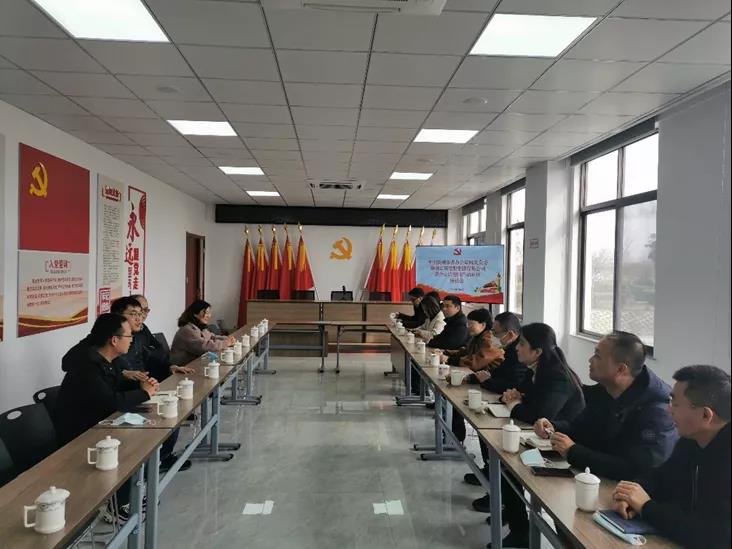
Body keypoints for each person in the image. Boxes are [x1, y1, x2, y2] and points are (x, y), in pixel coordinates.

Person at [485, 323, 585, 548]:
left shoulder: (557, 376)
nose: (516, 348)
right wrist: (514, 397)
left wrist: (515, 404)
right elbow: (520, 395)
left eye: (522, 344)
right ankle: (515, 514)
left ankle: (520, 529)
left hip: (560, 450)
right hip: (540, 439)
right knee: (502, 460)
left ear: (537, 351)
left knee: (508, 466)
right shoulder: (535, 369)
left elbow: (539, 414)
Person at [612, 365, 731, 548]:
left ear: (705, 415)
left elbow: (714, 537)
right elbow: (661, 477)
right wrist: (631, 495)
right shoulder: (691, 440)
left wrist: (646, 507)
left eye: (675, 404)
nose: (669, 410)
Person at [533, 332, 677, 480]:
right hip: (597, 477)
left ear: (621, 369)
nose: (590, 360)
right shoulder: (607, 388)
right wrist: (554, 427)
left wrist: (573, 452)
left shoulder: (657, 412)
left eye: (597, 356)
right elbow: (581, 428)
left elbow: (634, 470)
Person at [54, 313, 158, 445]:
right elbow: (111, 401)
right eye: (129, 336)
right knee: (144, 439)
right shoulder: (87, 367)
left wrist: (142, 385)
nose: (132, 340)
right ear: (114, 340)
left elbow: (118, 385)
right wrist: (145, 393)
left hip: (102, 425)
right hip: (80, 437)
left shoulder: (111, 360)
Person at [463, 312, 530, 487]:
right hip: (509, 403)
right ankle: (489, 472)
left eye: (496, 332)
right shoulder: (513, 350)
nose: (492, 336)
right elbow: (499, 374)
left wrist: (487, 381)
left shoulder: (520, 355)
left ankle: (495, 480)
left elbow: (514, 384)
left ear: (511, 334)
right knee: (481, 423)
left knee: (490, 432)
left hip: (522, 417)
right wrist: (476, 378)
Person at [447, 308, 505, 444]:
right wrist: (447, 353)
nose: (468, 327)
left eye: (471, 323)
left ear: (483, 325)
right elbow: (466, 352)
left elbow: (476, 362)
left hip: (490, 383)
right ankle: (455, 438)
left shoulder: (489, 340)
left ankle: (456, 439)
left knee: (458, 399)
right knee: (453, 396)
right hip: (479, 378)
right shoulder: (477, 337)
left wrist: (450, 359)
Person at [130, 294, 196, 381]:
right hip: (143, 379)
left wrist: (170, 367)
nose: (142, 315)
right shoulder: (125, 335)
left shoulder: (143, 328)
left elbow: (159, 348)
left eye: (146, 310)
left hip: (156, 375)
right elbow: (145, 357)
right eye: (137, 312)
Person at [170, 300, 235, 365]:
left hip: (194, 363)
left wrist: (227, 339)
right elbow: (204, 347)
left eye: (209, 313)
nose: (209, 316)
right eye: (206, 313)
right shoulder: (187, 330)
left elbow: (212, 337)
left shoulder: (199, 327)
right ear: (195, 314)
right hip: (182, 367)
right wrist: (225, 343)